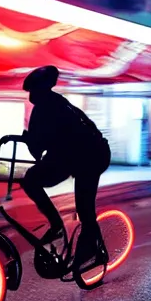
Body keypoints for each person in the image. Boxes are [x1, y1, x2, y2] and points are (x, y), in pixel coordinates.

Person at [20, 65, 111, 267]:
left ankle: (91, 251)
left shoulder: (45, 108)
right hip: (76, 156)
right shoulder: (58, 102)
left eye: (32, 90)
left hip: (89, 157)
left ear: (41, 89)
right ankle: (58, 226)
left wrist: (29, 140)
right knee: (33, 179)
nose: (30, 95)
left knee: (84, 208)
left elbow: (37, 148)